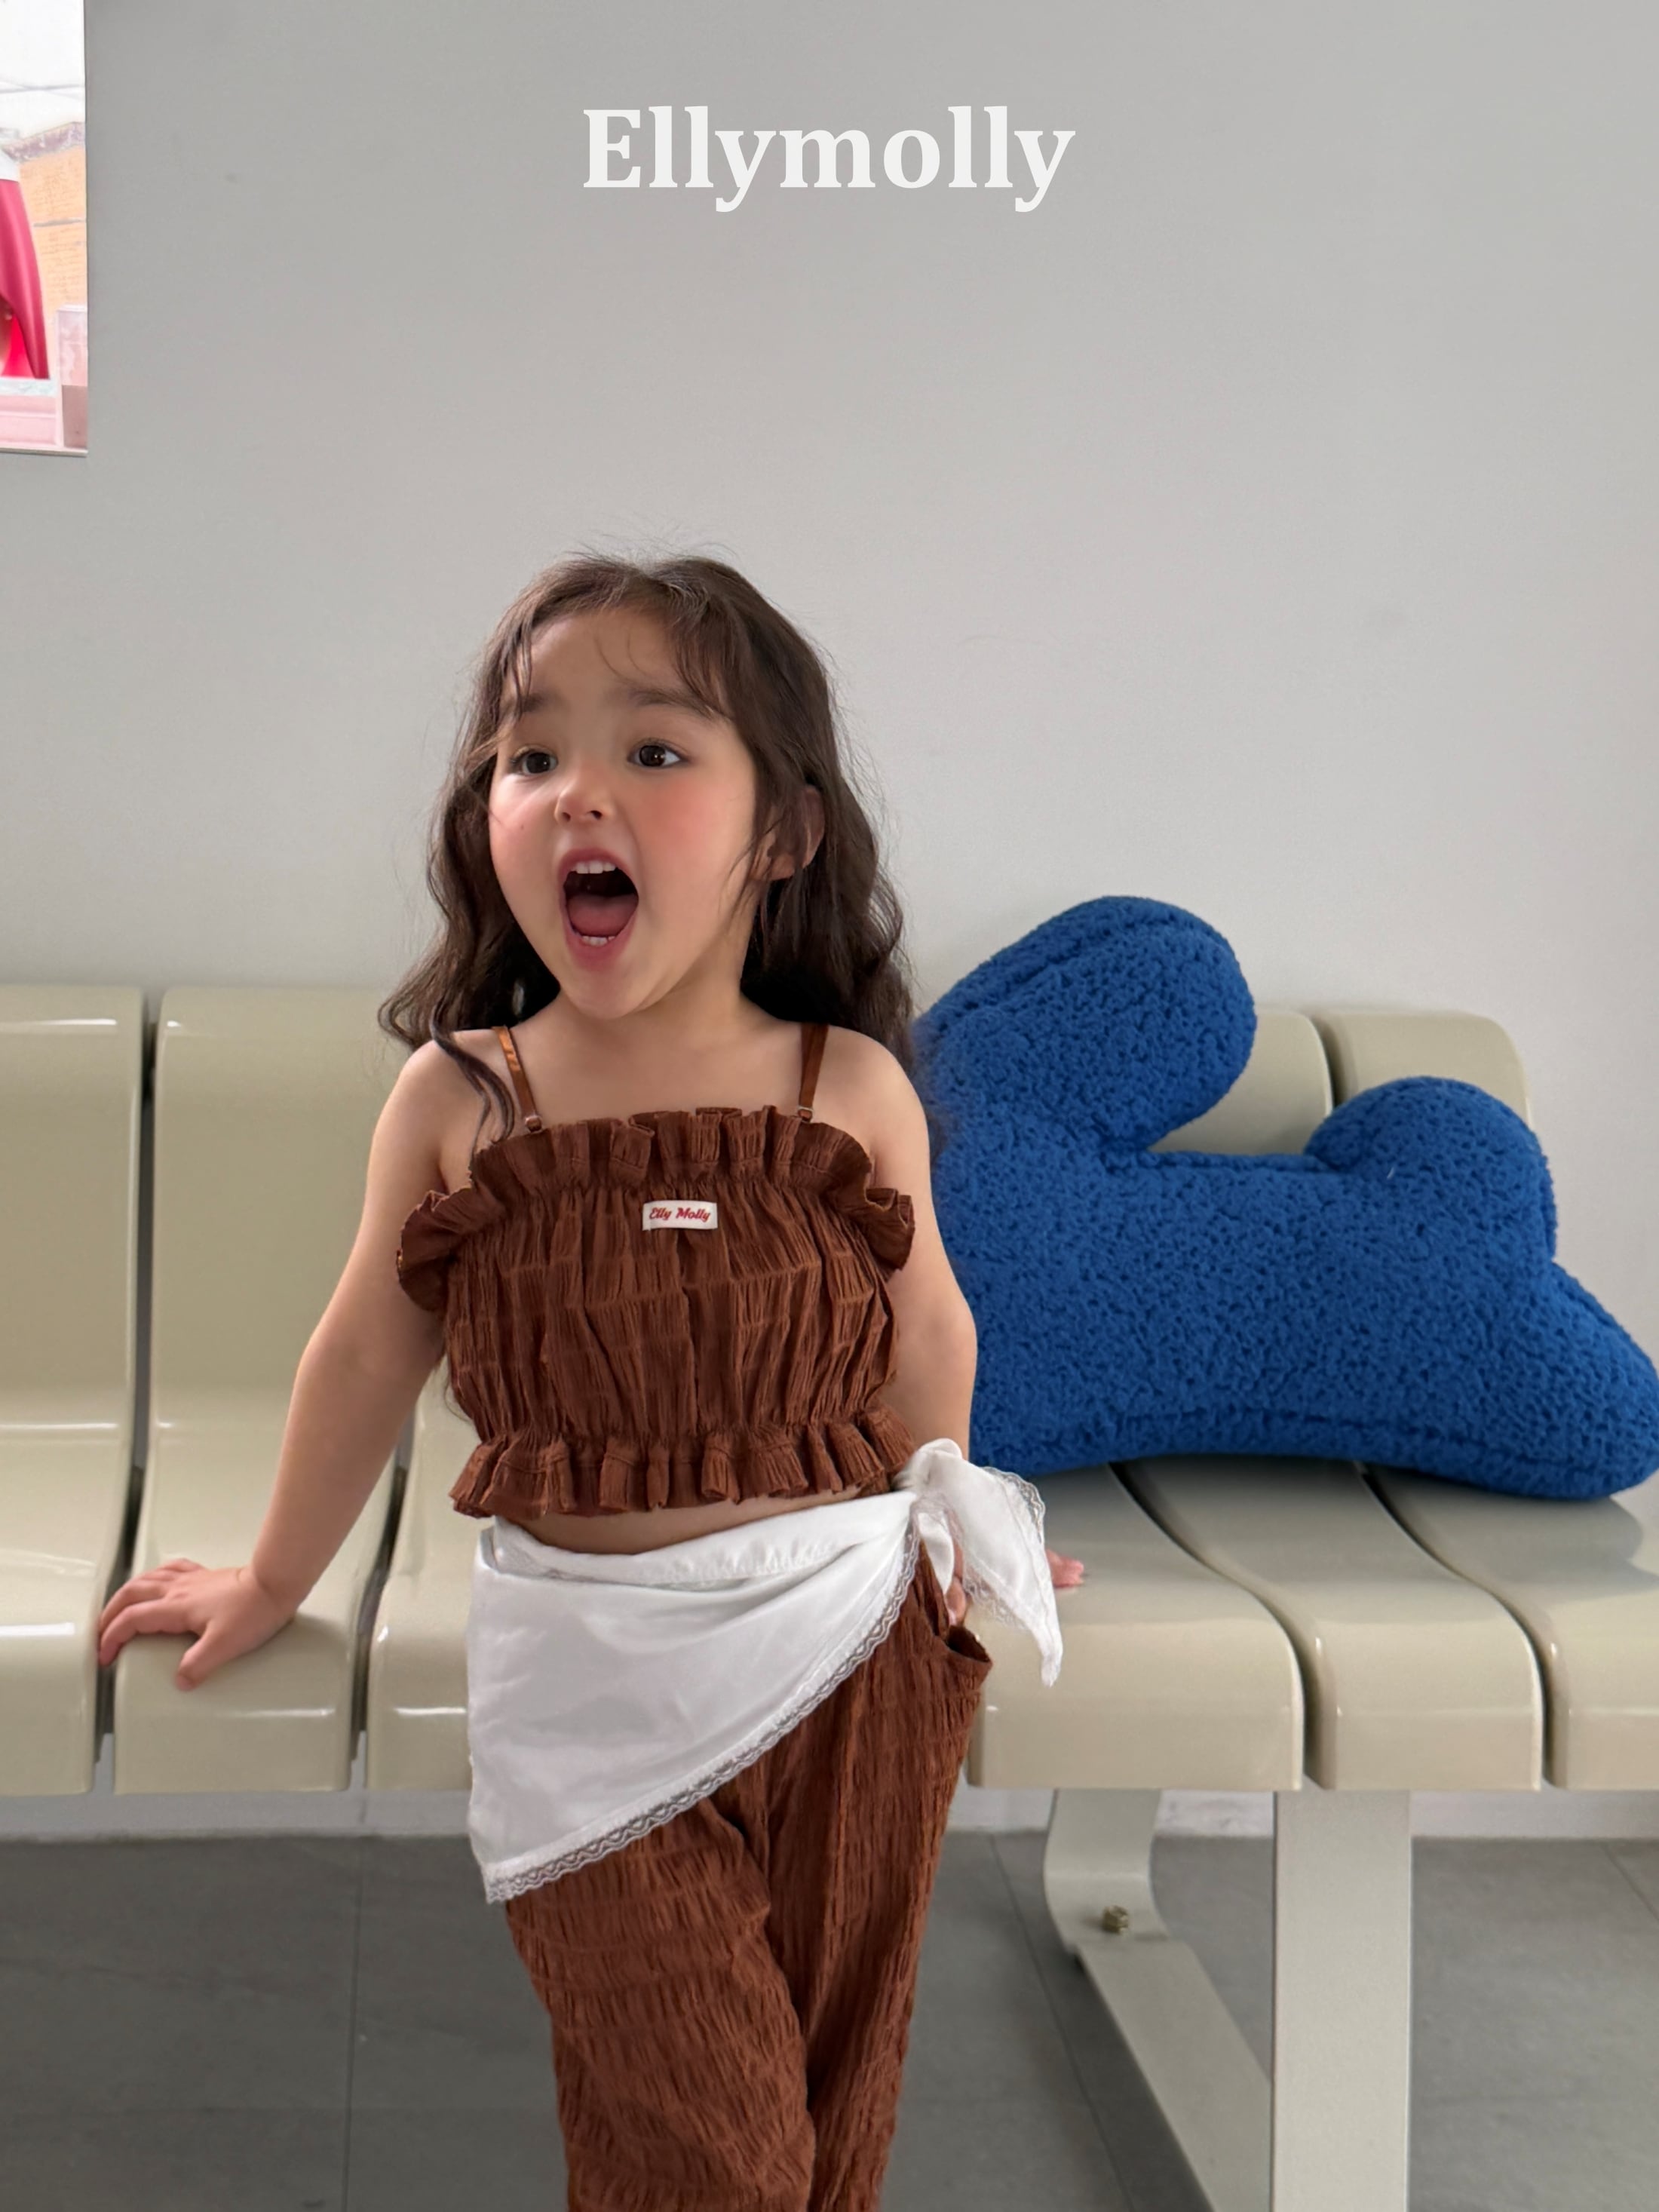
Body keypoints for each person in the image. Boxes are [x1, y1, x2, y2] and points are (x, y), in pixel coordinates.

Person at [97, 551, 1083, 2211]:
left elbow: (928, 1334)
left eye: (655, 748)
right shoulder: (465, 1101)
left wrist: (958, 1515)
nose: (578, 792)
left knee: (829, 2128)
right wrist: (272, 1579)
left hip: (856, 1662)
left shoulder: (842, 1085)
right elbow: (363, 1351)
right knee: (714, 2152)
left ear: (785, 833)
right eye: (532, 752)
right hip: (594, 1698)